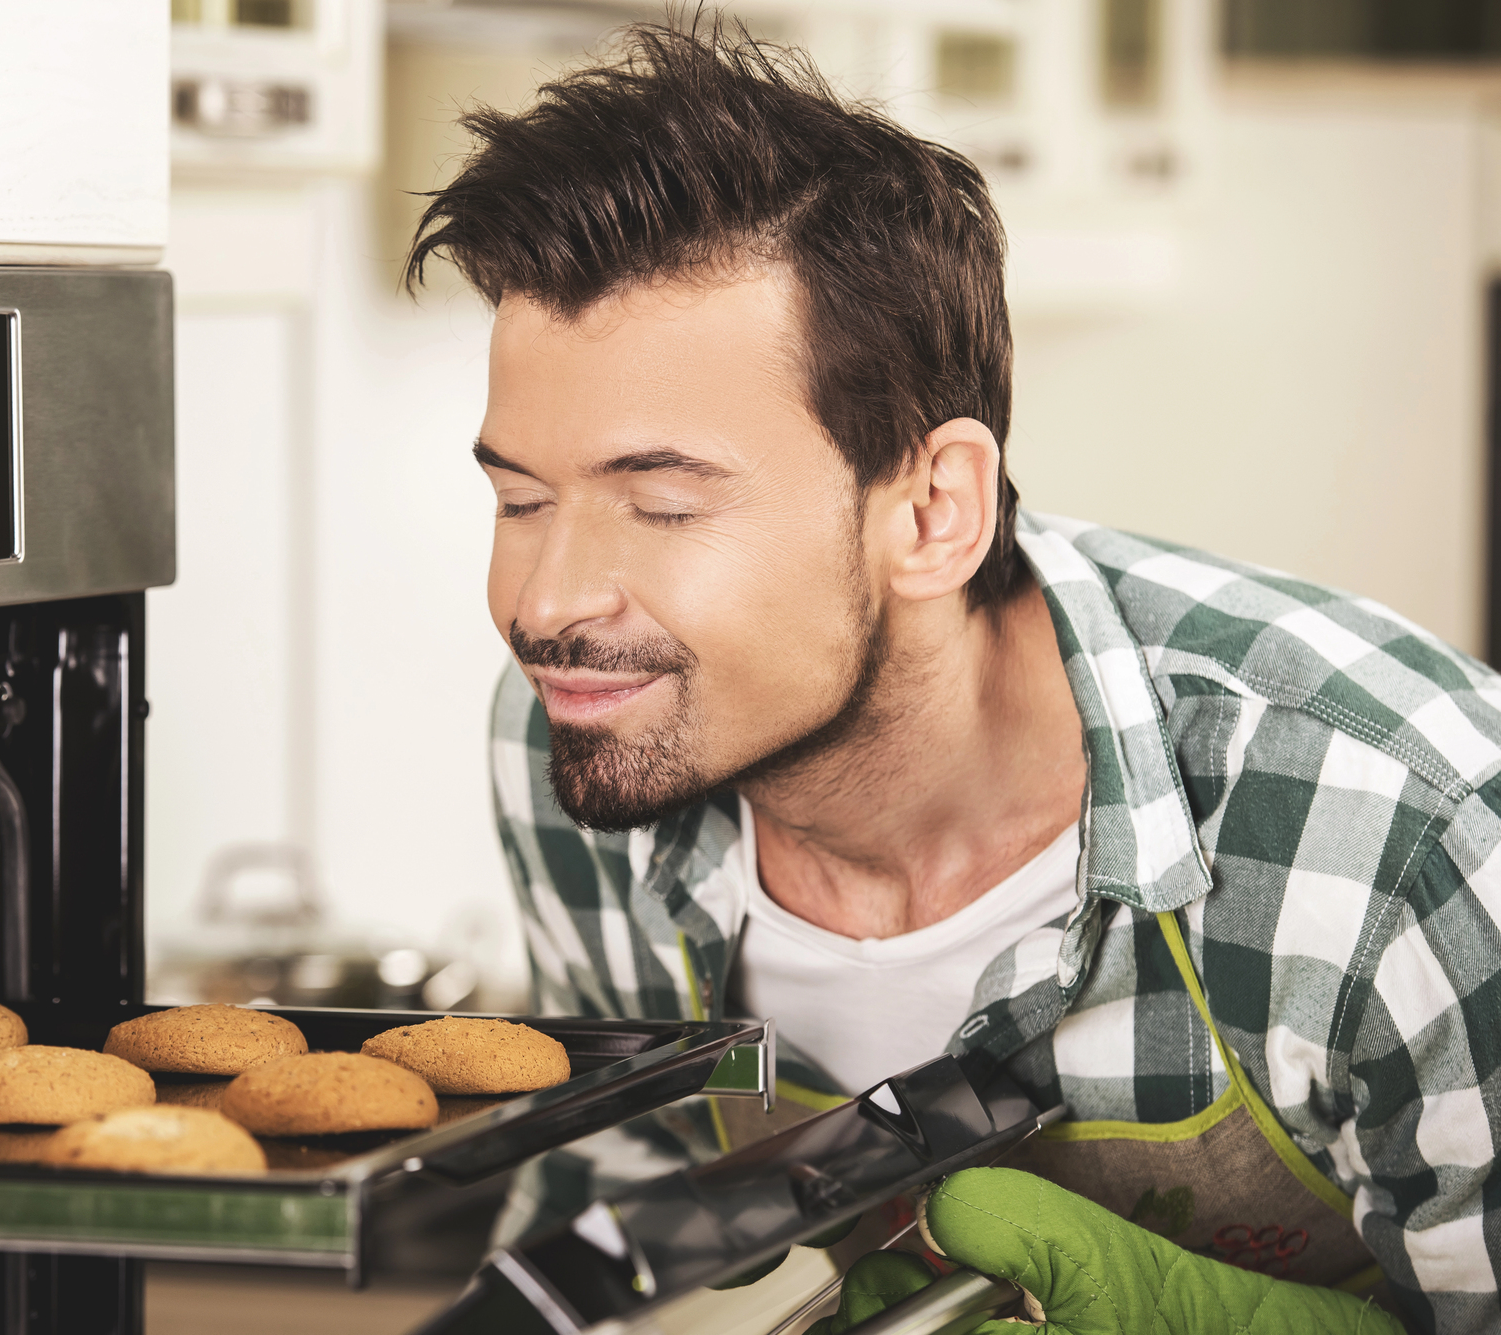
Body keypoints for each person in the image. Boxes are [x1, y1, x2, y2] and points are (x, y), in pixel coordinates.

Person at [403, 21, 1500, 1334]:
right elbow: (630, 1205)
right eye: (521, 498)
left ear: (933, 513)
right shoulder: (577, 738)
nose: (547, 604)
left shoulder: (1401, 829)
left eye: (663, 507)